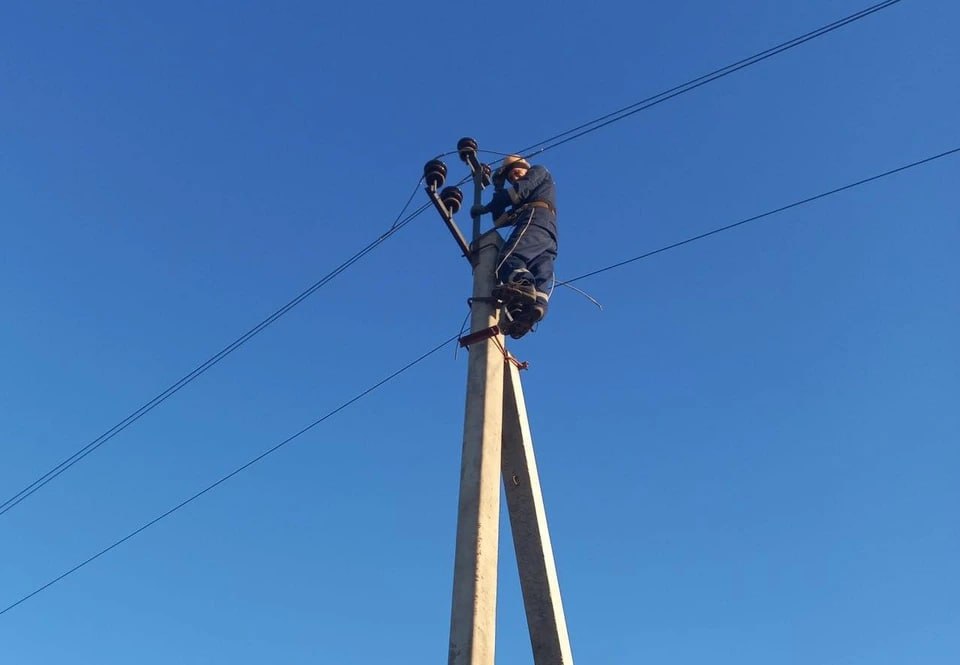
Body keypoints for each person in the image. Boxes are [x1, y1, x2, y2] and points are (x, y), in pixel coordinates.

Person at [471, 155, 558, 327]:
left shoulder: (538, 171)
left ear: (525, 167)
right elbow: (500, 221)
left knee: (507, 260)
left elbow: (516, 192)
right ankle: (532, 310)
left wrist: (488, 206)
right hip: (549, 233)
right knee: (540, 272)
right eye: (510, 178)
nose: (514, 178)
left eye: (516, 173)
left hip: (535, 220)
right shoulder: (525, 199)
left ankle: (523, 284)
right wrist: (497, 188)